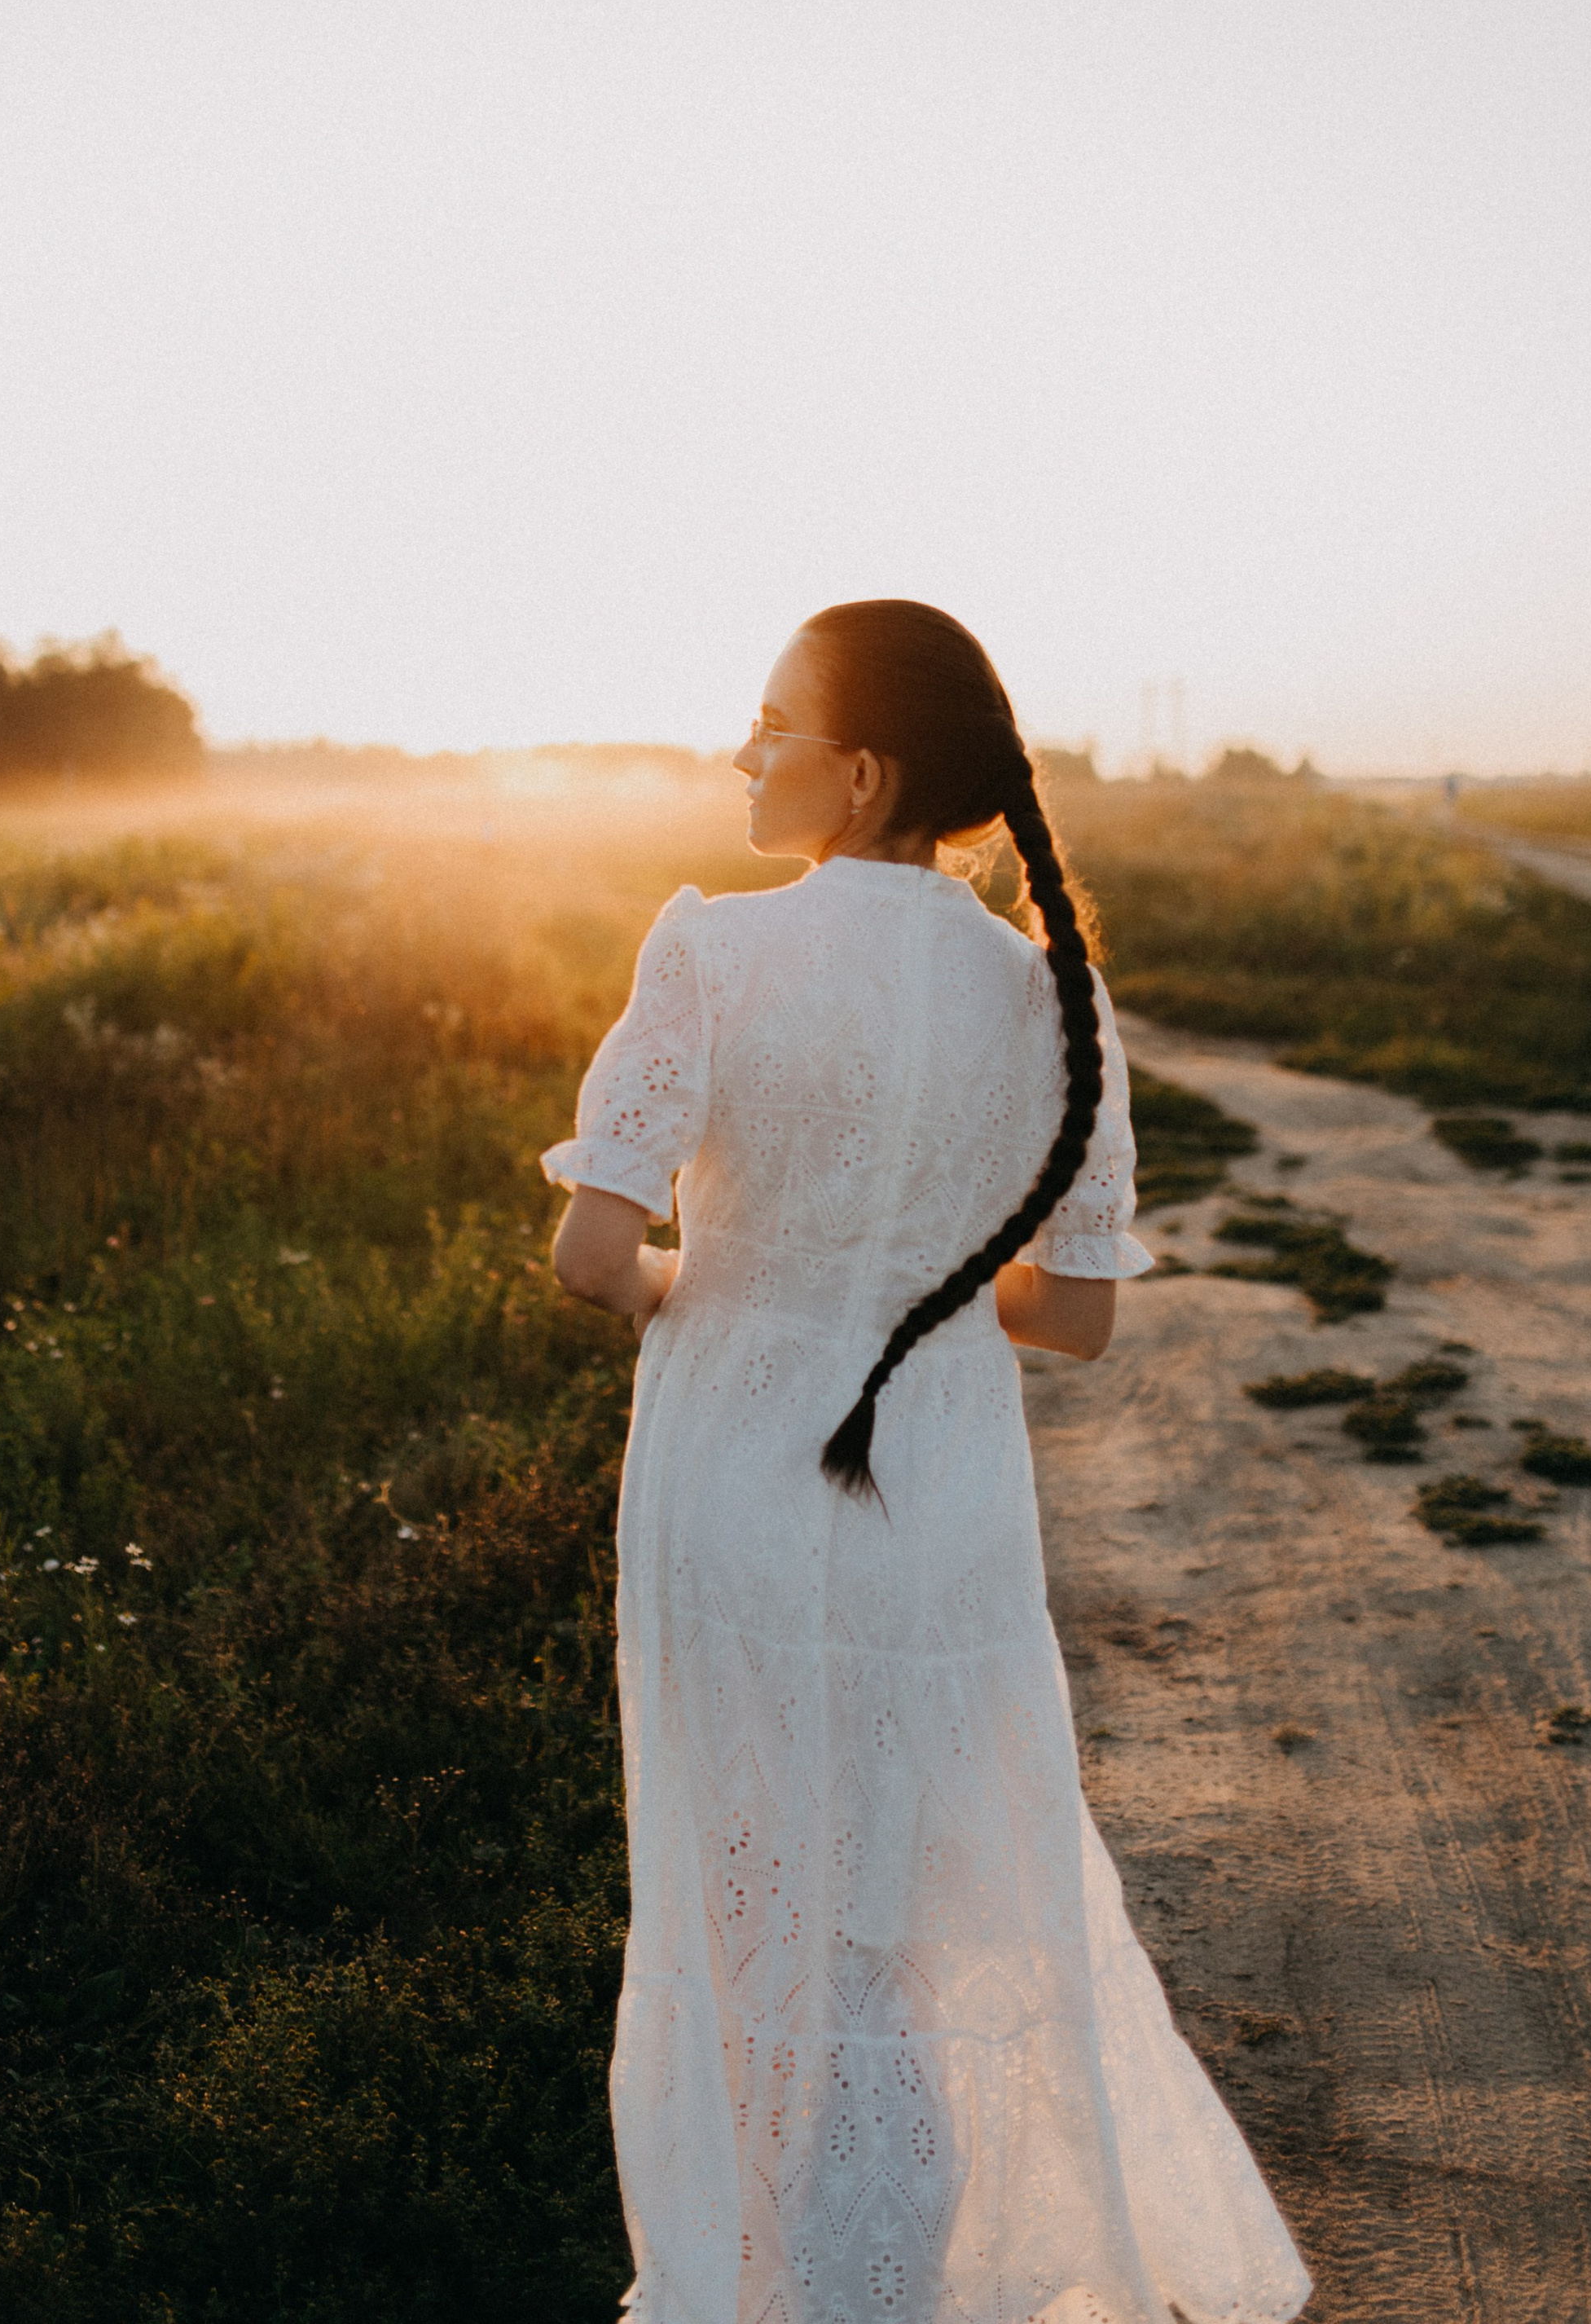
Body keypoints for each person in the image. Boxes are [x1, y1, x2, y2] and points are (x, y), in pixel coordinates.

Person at [543, 601, 1310, 2324]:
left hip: (737, 1481)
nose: (741, 755)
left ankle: (757, 2277)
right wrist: (894, 1280)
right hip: (936, 1499)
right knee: (900, 1911)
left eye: (766, 724)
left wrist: (715, 1284)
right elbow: (1081, 1321)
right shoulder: (1051, 998)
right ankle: (910, 2267)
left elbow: (594, 1258)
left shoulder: (713, 953)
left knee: (741, 1902)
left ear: (860, 767)